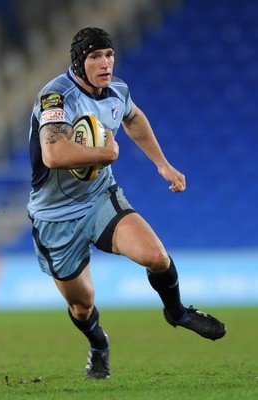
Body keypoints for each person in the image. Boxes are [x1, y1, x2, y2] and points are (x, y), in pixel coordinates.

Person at [27, 26, 226, 380]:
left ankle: (177, 312)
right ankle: (99, 346)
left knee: (156, 256)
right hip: (54, 216)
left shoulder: (117, 90)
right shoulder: (55, 97)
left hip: (99, 198)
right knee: (82, 305)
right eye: (95, 57)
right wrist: (106, 152)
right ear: (78, 62)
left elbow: (133, 119)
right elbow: (53, 153)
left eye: (109, 55)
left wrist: (162, 164)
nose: (105, 63)